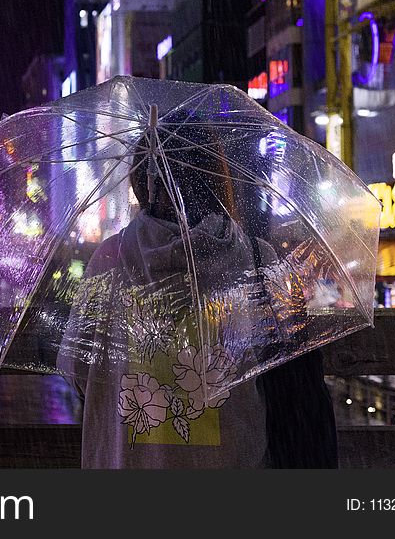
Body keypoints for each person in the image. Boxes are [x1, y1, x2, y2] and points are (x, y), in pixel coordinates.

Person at [59, 121, 337, 468]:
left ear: (144, 182)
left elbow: (76, 368)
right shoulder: (256, 259)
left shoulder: (109, 261)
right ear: (218, 180)